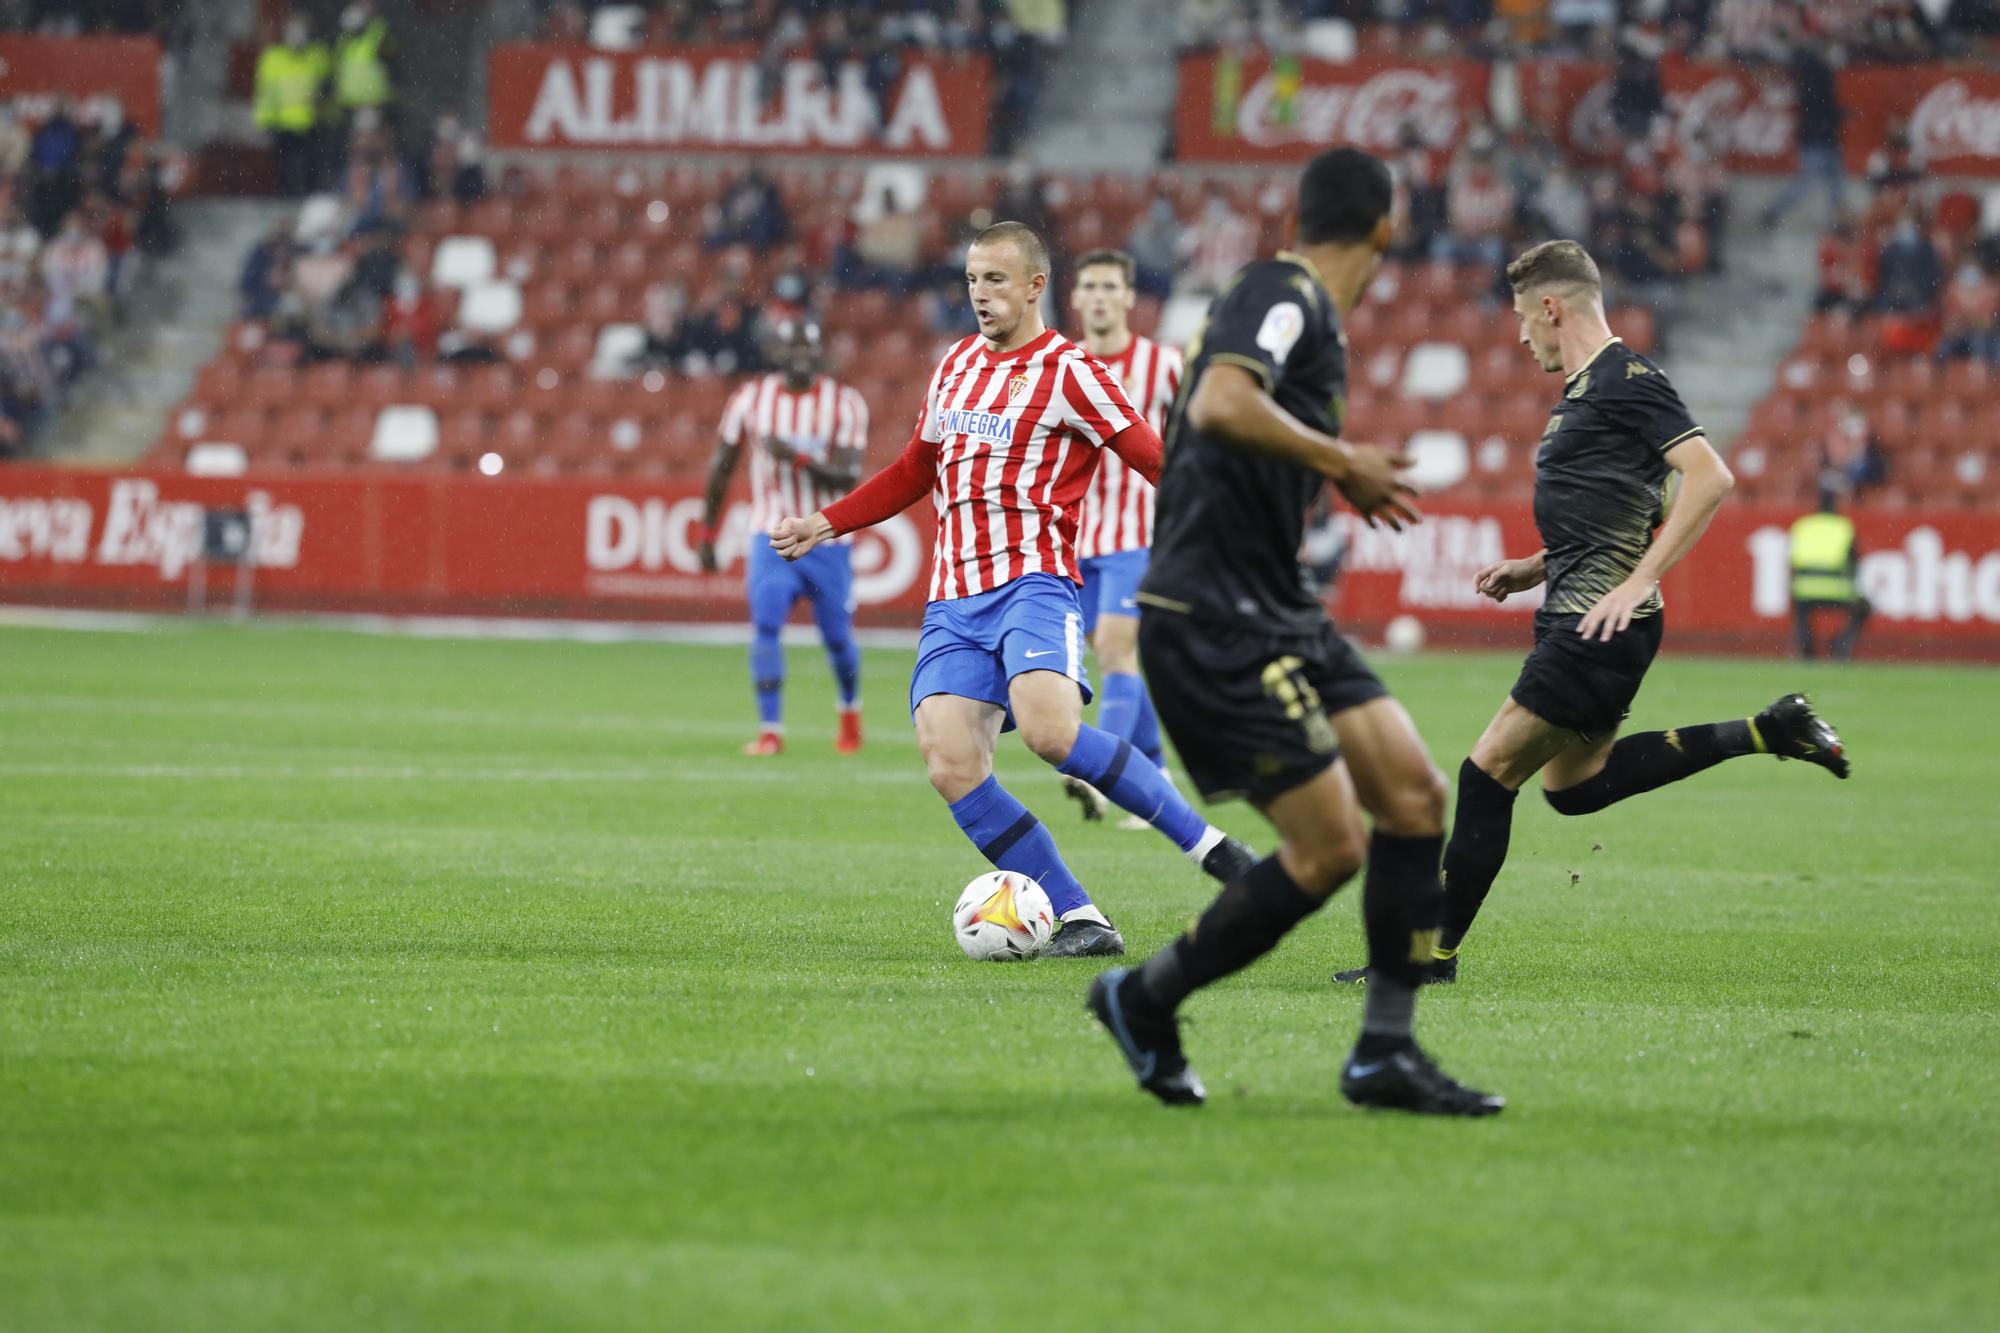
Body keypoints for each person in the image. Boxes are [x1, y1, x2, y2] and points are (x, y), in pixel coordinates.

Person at [1083, 147, 1503, 1116]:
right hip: (1210, 612)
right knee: (1328, 850)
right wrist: (1340, 458)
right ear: (1385, 229)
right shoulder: (1285, 292)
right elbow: (1222, 399)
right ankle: (1142, 999)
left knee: (1412, 794)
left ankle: (1383, 1054)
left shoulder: (1308, 311)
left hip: (1274, 606)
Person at [1333, 239, 1850, 990]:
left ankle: (1426, 957)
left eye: (1521, 317)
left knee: (1486, 774)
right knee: (1576, 788)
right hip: (1582, 614)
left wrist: (1635, 581)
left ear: (1552, 306)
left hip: (1596, 625)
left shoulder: (1625, 379)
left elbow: (1709, 476)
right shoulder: (1586, 391)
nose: (1519, 335)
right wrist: (1535, 564)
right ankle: (1771, 727)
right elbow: (1634, 505)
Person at [770, 222, 1256, 960]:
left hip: (1034, 582)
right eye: (971, 280)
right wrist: (826, 522)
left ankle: (1214, 850)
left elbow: (1154, 459)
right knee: (948, 761)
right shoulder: (956, 364)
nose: (979, 295)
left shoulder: (1073, 371)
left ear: (1035, 286)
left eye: (995, 280)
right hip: (953, 600)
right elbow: (913, 470)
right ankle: (1080, 916)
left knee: (1049, 732)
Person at [700, 320, 870, 757]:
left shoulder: (845, 403)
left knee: (837, 639)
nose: (799, 356)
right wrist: (708, 532)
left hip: (826, 537)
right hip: (770, 532)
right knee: (766, 624)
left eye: (807, 347)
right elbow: (721, 466)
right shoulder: (752, 400)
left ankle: (850, 711)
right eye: (791, 347)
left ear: (819, 352)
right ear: (778, 352)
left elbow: (848, 477)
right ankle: (770, 729)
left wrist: (794, 458)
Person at [1060, 249, 1183, 830]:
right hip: (1073, 537)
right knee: (1105, 657)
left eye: (1112, 285)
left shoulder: (1164, 365)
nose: (1101, 295)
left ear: (1131, 297)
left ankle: (1097, 774)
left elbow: (1190, 438)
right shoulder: (1062, 366)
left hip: (1140, 534)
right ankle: (1155, 773)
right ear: (1076, 298)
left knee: (1113, 647)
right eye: (1091, 285)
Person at [1790, 487, 1869, 661]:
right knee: (1863, 608)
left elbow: (1793, 563)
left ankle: (1805, 648)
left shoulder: (1803, 526)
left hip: (1805, 590)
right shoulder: (1843, 527)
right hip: (1837, 591)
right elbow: (1854, 561)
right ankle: (1841, 649)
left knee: (1800, 611)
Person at [255, 17, 329, 198]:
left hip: (310, 122)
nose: (297, 37)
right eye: (293, 32)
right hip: (283, 123)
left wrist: (325, 112)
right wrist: (265, 121)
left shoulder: (317, 56)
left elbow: (326, 87)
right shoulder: (273, 58)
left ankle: (307, 195)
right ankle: (285, 196)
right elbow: (266, 93)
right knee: (284, 165)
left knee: (310, 164)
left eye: (301, 32)